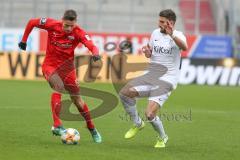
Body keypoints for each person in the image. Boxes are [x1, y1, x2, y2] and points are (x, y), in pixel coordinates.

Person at [18, 9, 102, 143]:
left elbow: (91, 45)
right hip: (50, 66)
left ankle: (92, 128)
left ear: (75, 23)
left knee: (78, 101)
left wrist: (95, 53)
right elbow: (32, 22)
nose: (69, 28)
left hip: (68, 70)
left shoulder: (78, 32)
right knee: (58, 86)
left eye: (71, 26)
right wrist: (24, 40)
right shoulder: (52, 25)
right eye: (66, 25)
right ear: (62, 20)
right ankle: (57, 125)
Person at [119, 9, 188, 148]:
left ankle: (163, 137)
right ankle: (138, 124)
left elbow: (184, 47)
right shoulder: (155, 33)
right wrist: (148, 52)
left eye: (162, 22)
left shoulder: (178, 35)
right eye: (159, 21)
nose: (159, 24)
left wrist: (172, 34)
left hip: (167, 79)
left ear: (171, 23)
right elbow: (151, 53)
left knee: (149, 113)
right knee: (125, 94)